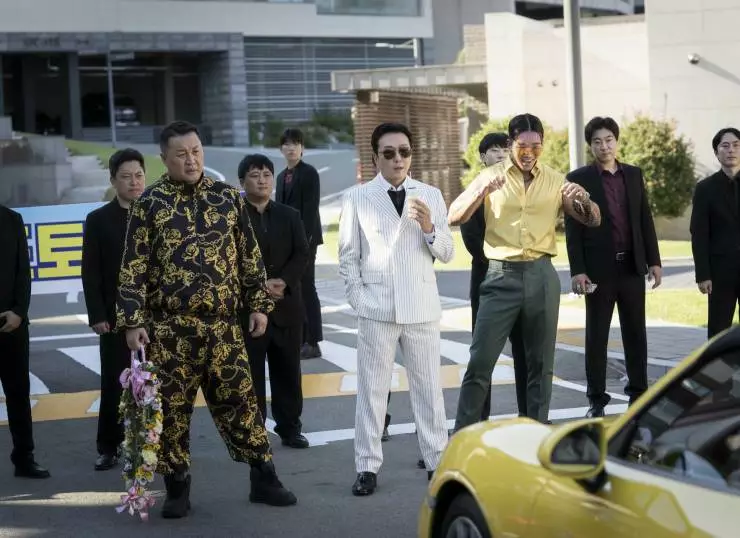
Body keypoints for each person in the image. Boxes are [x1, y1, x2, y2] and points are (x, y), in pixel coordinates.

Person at [116, 120, 297, 519]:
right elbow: (133, 267)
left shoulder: (227, 198)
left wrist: (258, 306)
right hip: (170, 330)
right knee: (171, 412)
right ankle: (177, 486)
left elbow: (249, 258)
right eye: (181, 154)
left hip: (223, 327)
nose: (191, 160)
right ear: (164, 159)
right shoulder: (150, 204)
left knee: (243, 403)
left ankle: (264, 478)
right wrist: (132, 321)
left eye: (196, 151)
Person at [448, 113, 602, 430]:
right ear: (511, 144)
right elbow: (454, 217)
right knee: (480, 362)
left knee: (540, 366)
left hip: (541, 277)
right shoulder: (490, 176)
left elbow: (593, 220)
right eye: (522, 145)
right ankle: (462, 436)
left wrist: (584, 201)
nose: (529, 152)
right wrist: (481, 191)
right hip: (499, 277)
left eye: (536, 146)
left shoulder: (555, 180)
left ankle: (535, 437)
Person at [338, 122, 453, 496]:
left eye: (404, 151)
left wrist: (430, 227)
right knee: (371, 391)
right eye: (389, 153)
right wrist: (360, 301)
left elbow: (447, 252)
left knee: (429, 390)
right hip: (377, 308)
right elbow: (348, 257)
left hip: (421, 307)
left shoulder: (430, 195)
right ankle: (366, 466)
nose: (398, 159)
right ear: (375, 158)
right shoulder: (358, 198)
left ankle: (437, 461)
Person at [564, 117, 662, 418]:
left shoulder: (633, 174)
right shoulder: (578, 178)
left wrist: (654, 261)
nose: (604, 146)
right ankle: (596, 401)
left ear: (616, 141)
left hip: (632, 267)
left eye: (608, 140)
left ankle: (638, 397)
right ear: (590, 146)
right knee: (597, 337)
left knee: (636, 335)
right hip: (598, 271)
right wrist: (578, 270)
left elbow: (644, 218)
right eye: (597, 142)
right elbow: (573, 229)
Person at [238, 153, 310, 449]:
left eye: (267, 174)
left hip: (286, 306)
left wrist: (285, 281)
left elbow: (302, 252)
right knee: (251, 375)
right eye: (255, 175)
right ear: (242, 182)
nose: (262, 180)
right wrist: (258, 287)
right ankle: (255, 433)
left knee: (288, 373)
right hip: (249, 311)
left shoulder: (289, 215)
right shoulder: (233, 217)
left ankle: (290, 428)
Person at [81, 148, 146, 471]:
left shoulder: (157, 214)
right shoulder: (98, 220)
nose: (134, 182)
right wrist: (97, 315)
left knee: (156, 383)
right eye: (126, 177)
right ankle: (109, 446)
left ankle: (154, 444)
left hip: (154, 316)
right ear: (113, 180)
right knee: (114, 383)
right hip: (114, 317)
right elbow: (90, 272)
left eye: (139, 176)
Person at [460, 132, 528, 420]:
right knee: (483, 355)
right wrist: (500, 260)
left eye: (504, 150)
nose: (500, 155)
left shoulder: (521, 187)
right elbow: (471, 237)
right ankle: (479, 418)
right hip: (487, 279)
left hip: (522, 279)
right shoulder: (476, 188)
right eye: (494, 150)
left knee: (524, 351)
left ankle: (528, 414)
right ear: (482, 156)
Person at [0, 204, 50, 479]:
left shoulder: (11, 219)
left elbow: (23, 270)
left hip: (12, 323)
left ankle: (24, 458)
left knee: (18, 393)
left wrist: (19, 311)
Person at [276, 128, 324, 359]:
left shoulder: (309, 173)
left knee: (306, 287)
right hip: (287, 241)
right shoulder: (280, 177)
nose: (291, 148)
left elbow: (310, 209)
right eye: (286, 144)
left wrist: (303, 242)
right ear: (281, 149)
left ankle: (313, 342)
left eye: (295, 143)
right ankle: (300, 338)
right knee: (293, 289)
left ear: (302, 148)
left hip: (306, 240)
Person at [690, 127, 740, 339]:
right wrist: (703, 274)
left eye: (736, 145)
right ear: (716, 152)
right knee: (718, 334)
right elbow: (699, 233)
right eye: (725, 146)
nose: (731, 150)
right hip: (720, 273)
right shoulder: (705, 189)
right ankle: (718, 365)